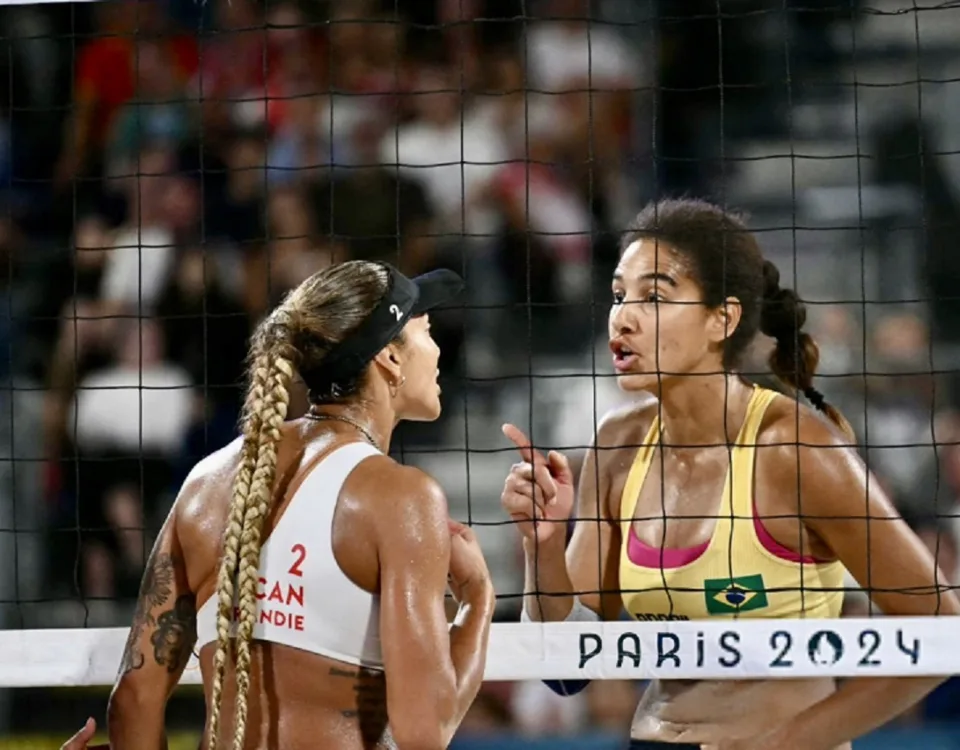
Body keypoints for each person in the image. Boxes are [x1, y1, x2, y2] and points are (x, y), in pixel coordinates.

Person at [500, 198, 960, 750]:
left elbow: (941, 635)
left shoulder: (794, 448)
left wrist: (781, 744)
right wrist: (544, 543)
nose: (622, 316)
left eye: (653, 296)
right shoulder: (617, 444)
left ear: (724, 318)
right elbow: (565, 670)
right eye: (619, 294)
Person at [107, 260, 496, 750]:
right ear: (390, 360)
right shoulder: (401, 497)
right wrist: (478, 600)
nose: (438, 352)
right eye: (427, 330)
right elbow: (426, 732)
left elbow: (132, 702)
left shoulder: (207, 483)